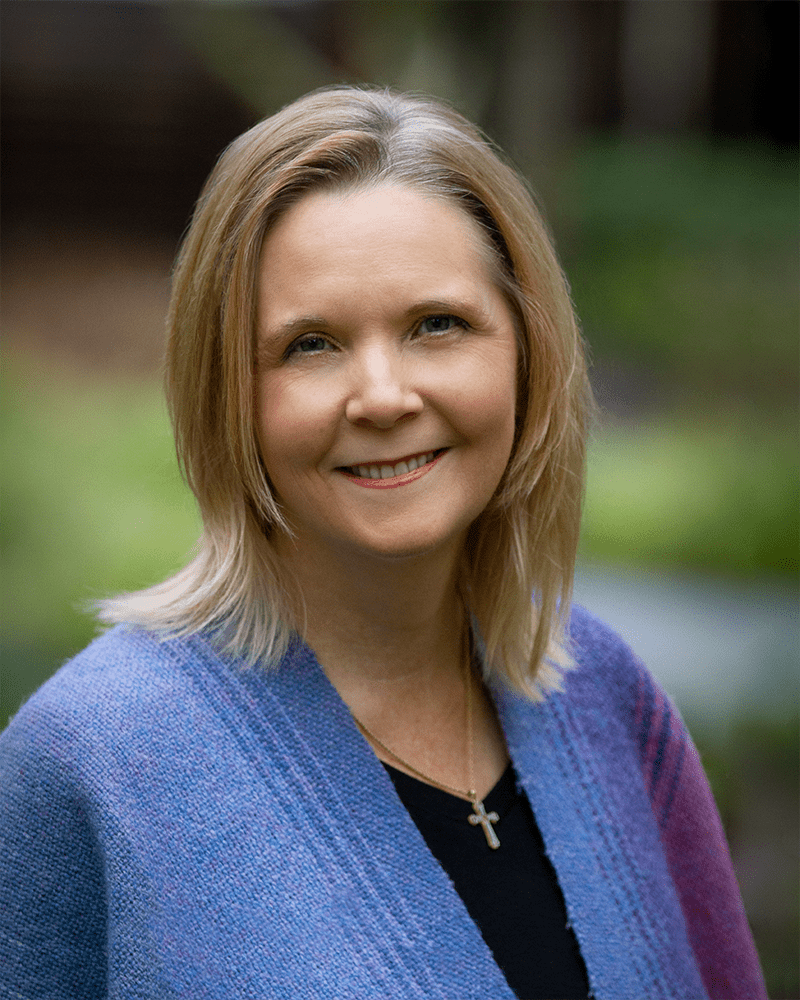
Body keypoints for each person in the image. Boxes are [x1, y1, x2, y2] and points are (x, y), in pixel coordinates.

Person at [0, 86, 766, 1000]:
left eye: (436, 325)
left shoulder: (605, 697)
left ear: (528, 350)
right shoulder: (95, 760)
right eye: (311, 345)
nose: (383, 396)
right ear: (226, 395)